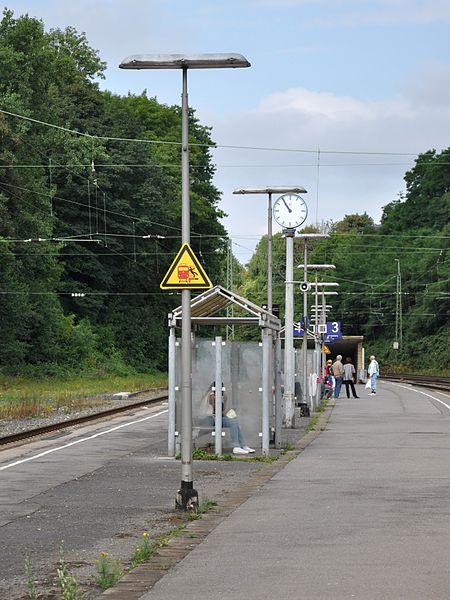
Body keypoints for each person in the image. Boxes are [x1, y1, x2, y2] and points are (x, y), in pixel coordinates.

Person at [202, 383, 255, 455]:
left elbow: (221, 411)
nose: (223, 390)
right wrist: (228, 411)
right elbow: (216, 411)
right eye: (222, 389)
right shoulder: (212, 396)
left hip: (216, 418)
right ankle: (237, 446)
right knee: (232, 422)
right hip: (209, 419)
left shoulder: (222, 396)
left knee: (234, 421)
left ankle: (242, 445)